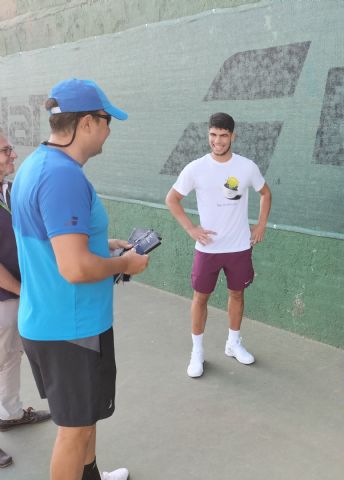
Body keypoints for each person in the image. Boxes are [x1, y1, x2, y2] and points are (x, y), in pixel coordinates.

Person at [11, 79, 149, 480]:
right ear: (87, 122)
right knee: (73, 432)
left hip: (57, 322)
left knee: (85, 419)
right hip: (69, 329)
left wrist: (102, 245)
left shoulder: (36, 165)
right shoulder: (63, 176)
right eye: (107, 121)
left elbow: (54, 243)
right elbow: (73, 268)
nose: (109, 130)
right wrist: (125, 264)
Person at [165, 112, 272, 377]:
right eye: (213, 135)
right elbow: (172, 199)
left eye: (223, 135)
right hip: (208, 249)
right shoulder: (195, 168)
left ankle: (233, 344)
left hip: (239, 248)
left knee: (237, 294)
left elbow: (265, 193)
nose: (218, 140)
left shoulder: (247, 167)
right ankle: (197, 352)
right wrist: (191, 228)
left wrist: (260, 225)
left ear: (232, 136)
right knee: (200, 298)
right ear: (208, 135)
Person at [0, 134, 51, 470]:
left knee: (10, 357)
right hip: (8, 295)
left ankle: (10, 412)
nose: (13, 154)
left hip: (16, 296)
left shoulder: (8, 189)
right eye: (5, 151)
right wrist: (23, 290)